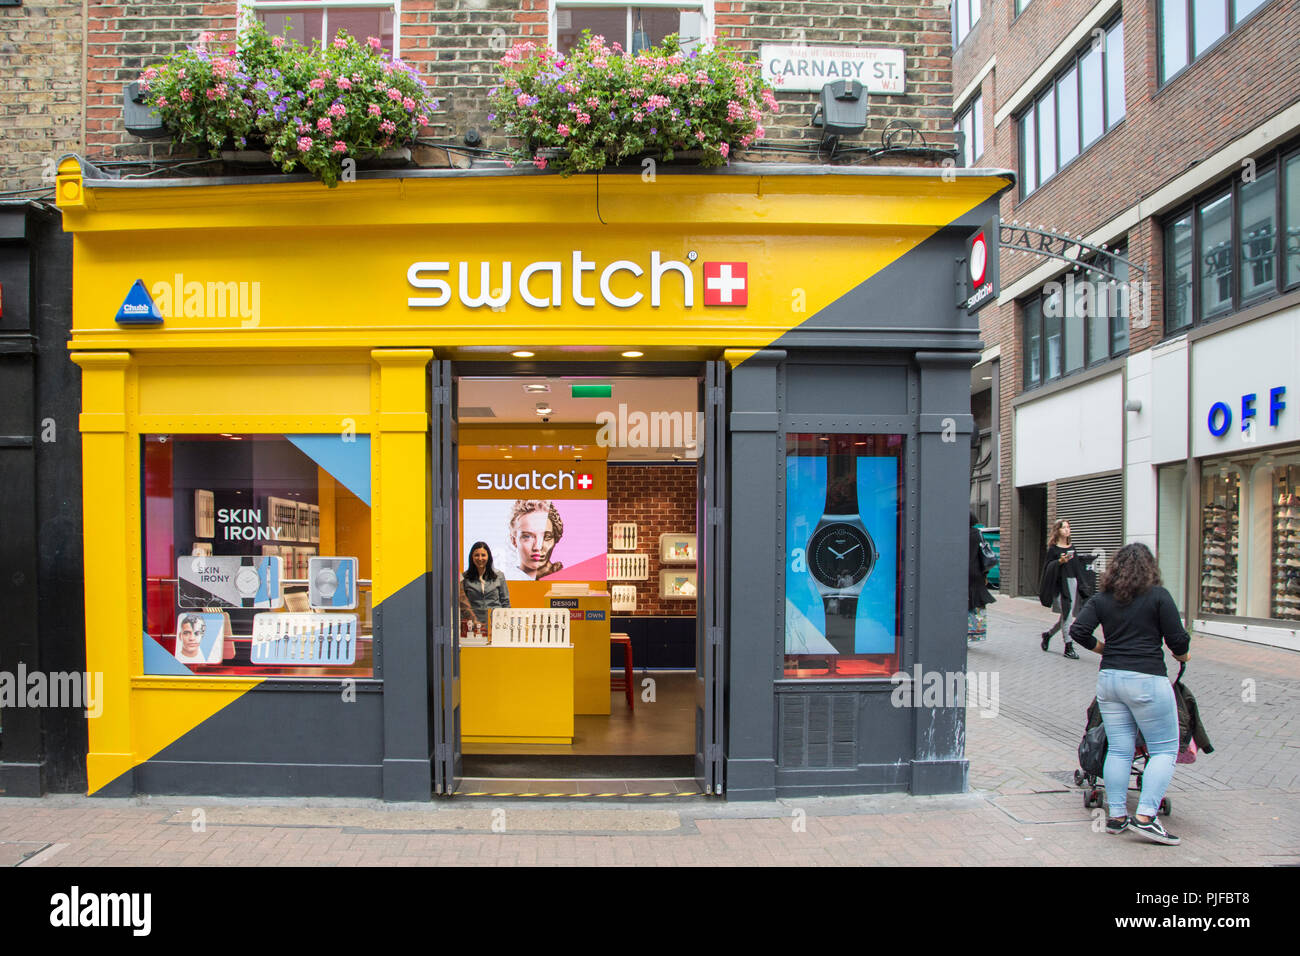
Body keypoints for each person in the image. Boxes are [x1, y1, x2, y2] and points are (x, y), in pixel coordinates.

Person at [1069, 543, 1190, 845]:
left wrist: (1103, 649)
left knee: (1120, 750)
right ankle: (1146, 817)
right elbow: (1178, 641)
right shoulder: (1159, 597)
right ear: (1149, 569)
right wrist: (1183, 656)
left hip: (1110, 680)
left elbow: (1078, 631)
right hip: (1147, 680)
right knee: (1163, 749)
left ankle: (1117, 816)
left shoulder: (1102, 599)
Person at [1038, 518, 1096, 659]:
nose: (1067, 530)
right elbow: (1047, 568)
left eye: (1068, 527)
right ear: (1057, 530)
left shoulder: (1072, 547)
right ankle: (1068, 647)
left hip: (1072, 583)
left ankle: (1048, 635)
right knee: (1068, 616)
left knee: (1066, 616)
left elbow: (1077, 567)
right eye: (1064, 527)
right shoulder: (1053, 549)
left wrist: (1083, 586)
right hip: (1059, 586)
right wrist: (1059, 561)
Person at [508, 499, 565, 580]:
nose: (537, 547)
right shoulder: (505, 578)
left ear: (556, 538)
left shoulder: (566, 577)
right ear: (514, 540)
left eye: (546, 537)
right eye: (527, 536)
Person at [462, 541, 510, 628]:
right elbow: (463, 605)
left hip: (496, 624)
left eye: (483, 555)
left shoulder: (499, 576)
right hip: (474, 625)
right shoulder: (465, 577)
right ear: (471, 557)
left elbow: (505, 603)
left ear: (488, 557)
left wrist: (506, 624)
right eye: (476, 555)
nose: (480, 558)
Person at [968, 512, 995, 642]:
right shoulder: (977, 533)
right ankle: (974, 632)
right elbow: (982, 554)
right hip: (976, 574)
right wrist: (985, 575)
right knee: (976, 603)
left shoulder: (957, 532)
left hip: (961, 574)